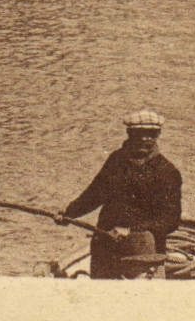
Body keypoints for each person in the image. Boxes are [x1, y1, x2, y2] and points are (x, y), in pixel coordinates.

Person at [58, 110, 183, 279]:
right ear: (129, 134)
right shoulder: (116, 161)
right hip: (105, 245)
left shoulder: (167, 172)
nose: (145, 139)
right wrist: (69, 213)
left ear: (158, 135)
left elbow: (170, 220)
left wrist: (132, 231)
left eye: (151, 134)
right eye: (140, 134)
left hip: (143, 252)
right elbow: (94, 194)